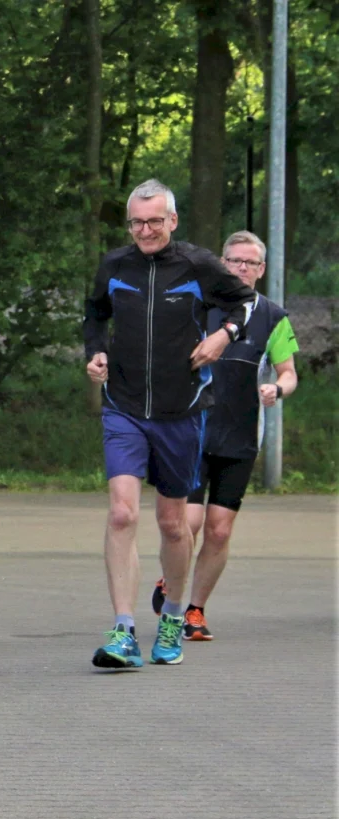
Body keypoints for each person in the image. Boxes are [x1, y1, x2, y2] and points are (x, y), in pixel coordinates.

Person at [83, 179, 255, 670]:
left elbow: (245, 303)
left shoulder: (199, 265)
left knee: (173, 523)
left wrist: (223, 335)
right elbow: (94, 315)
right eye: (137, 222)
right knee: (121, 513)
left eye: (155, 221)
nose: (145, 230)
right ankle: (122, 630)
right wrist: (95, 352)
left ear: (172, 221)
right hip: (124, 407)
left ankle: (174, 617)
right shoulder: (115, 265)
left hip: (183, 413)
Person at [150, 230, 298, 640]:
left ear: (261, 270)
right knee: (187, 522)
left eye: (249, 263)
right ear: (221, 263)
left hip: (240, 436)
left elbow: (288, 374)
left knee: (219, 529)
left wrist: (277, 389)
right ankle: (170, 582)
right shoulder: (196, 305)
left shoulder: (273, 317)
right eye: (233, 261)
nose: (240, 269)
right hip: (191, 430)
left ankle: (194, 611)